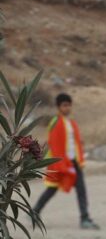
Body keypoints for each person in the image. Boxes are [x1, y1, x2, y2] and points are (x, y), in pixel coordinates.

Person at [34, 93, 99, 230]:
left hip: (73, 162)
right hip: (60, 163)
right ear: (59, 107)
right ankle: (35, 211)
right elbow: (54, 144)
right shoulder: (55, 123)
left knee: (81, 189)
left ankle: (84, 218)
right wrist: (60, 164)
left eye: (69, 105)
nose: (67, 108)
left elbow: (75, 142)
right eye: (64, 105)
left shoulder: (71, 123)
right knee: (52, 188)